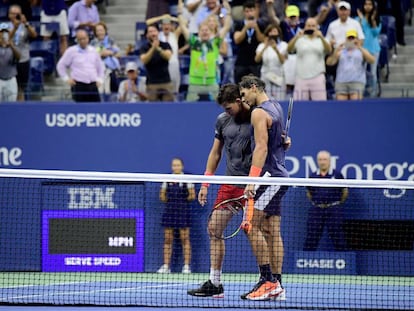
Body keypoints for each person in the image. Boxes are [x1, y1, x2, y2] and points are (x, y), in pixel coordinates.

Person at [187, 83, 253, 298]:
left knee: (261, 232)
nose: (226, 112)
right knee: (214, 229)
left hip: (254, 184)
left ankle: (271, 281)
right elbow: (215, 153)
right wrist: (205, 183)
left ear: (239, 100)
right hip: (229, 184)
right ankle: (215, 283)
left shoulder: (257, 117)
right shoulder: (222, 120)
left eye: (229, 108)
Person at [239, 74, 289, 301]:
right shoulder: (276, 107)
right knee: (271, 230)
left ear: (253, 88)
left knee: (250, 225)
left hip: (268, 177)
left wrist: (252, 181)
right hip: (279, 176)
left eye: (243, 94)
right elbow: (280, 142)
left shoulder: (258, 112)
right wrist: (285, 142)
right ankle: (277, 284)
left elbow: (260, 149)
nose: (242, 99)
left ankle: (268, 281)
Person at [178, 4, 231, 101]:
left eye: (207, 30)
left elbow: (226, 27)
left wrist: (228, 11)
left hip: (212, 82)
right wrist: (180, 12)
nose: (205, 32)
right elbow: (182, 26)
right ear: (198, 32)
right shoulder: (194, 42)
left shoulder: (215, 42)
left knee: (218, 107)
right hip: (194, 83)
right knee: (189, 109)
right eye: (202, 30)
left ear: (210, 32)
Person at [303, 150, 348, 251]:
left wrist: (335, 204)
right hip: (317, 210)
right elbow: (309, 193)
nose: (322, 162)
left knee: (338, 236)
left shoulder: (337, 175)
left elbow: (344, 192)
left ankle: (345, 260)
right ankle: (305, 260)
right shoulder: (312, 176)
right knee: (311, 236)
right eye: (320, 160)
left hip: (334, 210)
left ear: (329, 161)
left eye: (325, 159)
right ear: (317, 161)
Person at [157, 157, 196, 274]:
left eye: (178, 165)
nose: (176, 167)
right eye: (174, 165)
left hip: (183, 212)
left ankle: (186, 266)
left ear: (182, 166)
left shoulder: (187, 179)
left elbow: (192, 196)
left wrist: (181, 200)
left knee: (185, 239)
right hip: (169, 212)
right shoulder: (167, 179)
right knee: (168, 239)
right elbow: (162, 196)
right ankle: (166, 266)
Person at [287, 17, 332, 101]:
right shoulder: (299, 39)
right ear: (305, 27)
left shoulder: (321, 39)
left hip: (317, 76)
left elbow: (329, 50)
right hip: (301, 76)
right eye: (308, 25)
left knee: (320, 105)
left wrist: (321, 37)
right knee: (299, 106)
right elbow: (289, 49)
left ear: (317, 27)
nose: (311, 28)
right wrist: (296, 37)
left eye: (313, 26)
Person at [57, 28, 104, 102]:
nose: (82, 41)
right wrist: (66, 79)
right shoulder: (71, 51)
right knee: (80, 109)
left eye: (84, 38)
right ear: (77, 40)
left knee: (96, 108)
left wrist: (100, 79)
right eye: (80, 39)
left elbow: (100, 66)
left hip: (92, 85)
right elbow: (60, 65)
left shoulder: (93, 51)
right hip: (78, 85)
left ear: (88, 38)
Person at [326, 28, 375, 100]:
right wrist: (336, 51)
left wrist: (360, 47)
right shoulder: (340, 51)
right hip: (341, 81)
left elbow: (372, 60)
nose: (351, 40)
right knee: (341, 107)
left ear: (356, 39)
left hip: (357, 81)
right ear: (346, 39)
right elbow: (330, 63)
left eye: (353, 38)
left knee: (355, 106)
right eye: (349, 38)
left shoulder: (361, 51)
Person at [7, 4, 37, 101]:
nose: (15, 16)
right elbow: (6, 40)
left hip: (23, 60)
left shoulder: (26, 25)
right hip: (9, 62)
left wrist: (26, 24)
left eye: (17, 14)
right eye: (13, 14)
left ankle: (20, 109)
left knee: (21, 88)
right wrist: (15, 27)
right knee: (9, 88)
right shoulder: (4, 26)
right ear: (9, 15)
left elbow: (34, 35)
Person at [139, 23, 175, 101]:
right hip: (152, 83)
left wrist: (158, 49)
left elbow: (168, 56)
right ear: (147, 35)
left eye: (154, 31)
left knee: (168, 106)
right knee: (153, 107)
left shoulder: (165, 45)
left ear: (158, 32)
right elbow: (144, 60)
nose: (153, 33)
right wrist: (152, 48)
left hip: (166, 81)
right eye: (150, 32)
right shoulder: (144, 47)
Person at [232, 0, 266, 83]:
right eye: (247, 11)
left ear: (255, 11)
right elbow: (237, 40)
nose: (249, 13)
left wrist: (256, 28)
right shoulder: (239, 25)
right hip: (241, 62)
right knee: (239, 88)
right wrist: (245, 28)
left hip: (256, 63)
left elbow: (263, 40)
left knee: (256, 89)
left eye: (251, 11)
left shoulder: (261, 24)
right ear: (244, 12)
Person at [356, 0, 381, 97]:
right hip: (361, 49)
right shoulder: (357, 19)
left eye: (370, 4)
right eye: (366, 4)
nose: (367, 6)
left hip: (374, 49)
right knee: (361, 72)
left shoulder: (377, 19)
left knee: (373, 73)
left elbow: (375, 33)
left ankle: (373, 94)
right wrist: (362, 20)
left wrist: (373, 21)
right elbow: (358, 32)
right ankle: (360, 93)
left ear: (373, 6)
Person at [255, 23, 287, 99]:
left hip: (278, 76)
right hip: (265, 76)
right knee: (266, 100)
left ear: (278, 33)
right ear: (267, 33)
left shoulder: (283, 45)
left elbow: (283, 61)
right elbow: (257, 59)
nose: (272, 34)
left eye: (275, 31)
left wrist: (276, 49)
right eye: (270, 31)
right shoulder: (261, 45)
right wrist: (265, 47)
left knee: (280, 100)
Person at [90, 21, 121, 98]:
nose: (100, 32)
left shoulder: (111, 41)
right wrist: (100, 54)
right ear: (95, 32)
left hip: (111, 70)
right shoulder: (93, 43)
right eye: (98, 31)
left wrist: (110, 53)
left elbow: (118, 54)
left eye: (102, 30)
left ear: (105, 31)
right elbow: (90, 57)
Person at [0, 22, 20, 102]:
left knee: (11, 105)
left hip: (11, 80)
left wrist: (11, 46)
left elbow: (18, 57)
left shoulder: (14, 45)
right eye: (2, 32)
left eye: (6, 32)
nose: (4, 34)